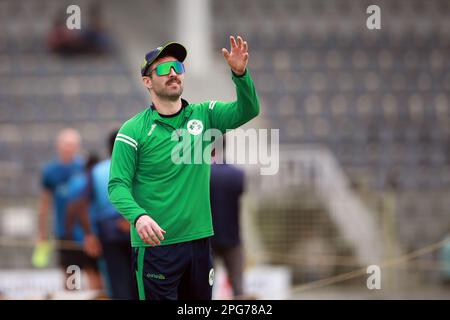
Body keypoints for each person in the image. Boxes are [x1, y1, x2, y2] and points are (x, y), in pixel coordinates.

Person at [108, 36, 260, 300]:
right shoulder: (132, 131)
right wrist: (138, 216)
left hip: (200, 243)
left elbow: (248, 109)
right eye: (164, 69)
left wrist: (240, 74)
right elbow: (117, 185)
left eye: (178, 68)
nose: (173, 74)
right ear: (147, 81)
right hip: (156, 248)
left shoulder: (205, 115)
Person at [70, 130, 136, 299]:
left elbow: (81, 205)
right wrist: (129, 219)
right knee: (140, 281)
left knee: (117, 283)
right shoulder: (137, 166)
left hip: (108, 233)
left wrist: (89, 235)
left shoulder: (96, 170)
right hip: (137, 229)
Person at [37, 128, 102, 290]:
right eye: (66, 144)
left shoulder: (85, 168)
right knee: (71, 277)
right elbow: (44, 204)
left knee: (94, 275)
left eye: (72, 144)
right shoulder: (50, 172)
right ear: (58, 146)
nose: (69, 148)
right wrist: (42, 233)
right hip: (65, 234)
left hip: (88, 234)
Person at [210, 138, 245, 298]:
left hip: (206, 238)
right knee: (238, 286)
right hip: (233, 237)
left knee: (205, 286)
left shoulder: (201, 174)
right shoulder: (237, 175)